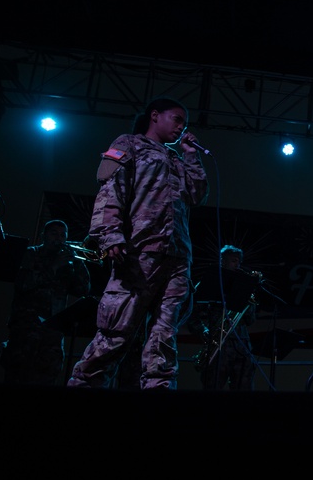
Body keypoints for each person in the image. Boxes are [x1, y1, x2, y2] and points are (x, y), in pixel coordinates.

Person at [67, 96, 209, 389]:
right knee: (116, 333)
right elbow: (111, 189)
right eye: (177, 119)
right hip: (139, 253)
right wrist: (110, 234)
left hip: (176, 257)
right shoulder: (129, 144)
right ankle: (84, 385)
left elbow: (196, 195)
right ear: (155, 116)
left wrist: (191, 156)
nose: (182, 128)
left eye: (185, 123)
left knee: (164, 337)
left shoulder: (177, 158)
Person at [0, 219, 91, 385]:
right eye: (54, 234)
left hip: (52, 332)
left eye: (63, 235)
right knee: (16, 376)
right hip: (25, 328)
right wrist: (53, 267)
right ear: (44, 236)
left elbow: (83, 290)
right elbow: (23, 284)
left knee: (48, 377)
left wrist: (76, 264)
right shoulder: (30, 253)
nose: (59, 238)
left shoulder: (68, 261)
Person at [187, 245, 259, 390]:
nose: (237, 264)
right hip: (218, 345)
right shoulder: (208, 283)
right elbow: (191, 314)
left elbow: (250, 320)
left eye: (239, 261)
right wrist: (203, 330)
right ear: (222, 261)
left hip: (241, 345)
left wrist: (249, 300)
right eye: (233, 260)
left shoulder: (244, 286)